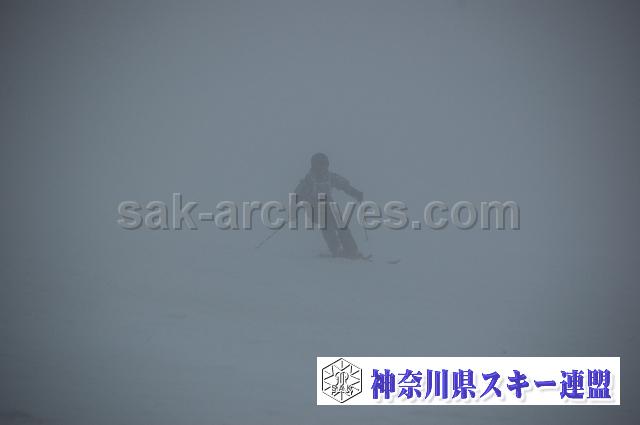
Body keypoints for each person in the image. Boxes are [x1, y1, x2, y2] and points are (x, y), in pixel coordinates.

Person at [293, 153, 365, 259]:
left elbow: (343, 185)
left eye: (325, 165)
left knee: (340, 224)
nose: (323, 168)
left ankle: (351, 250)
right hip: (314, 208)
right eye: (320, 165)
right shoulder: (308, 180)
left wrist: (355, 193)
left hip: (329, 204)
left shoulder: (330, 177)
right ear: (314, 165)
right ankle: (336, 249)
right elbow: (297, 194)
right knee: (327, 224)